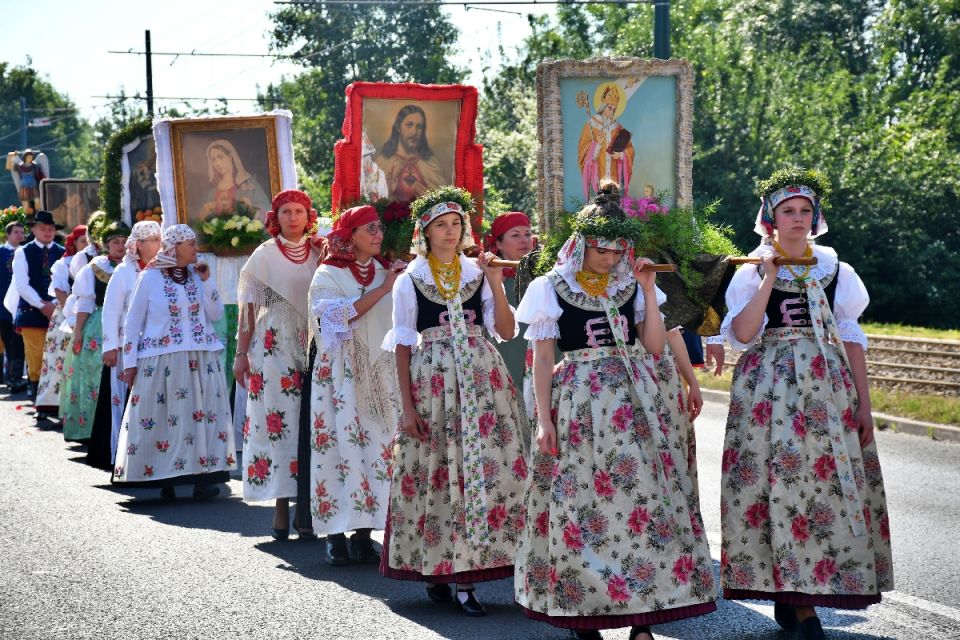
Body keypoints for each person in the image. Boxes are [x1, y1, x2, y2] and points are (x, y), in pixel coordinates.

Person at [514, 182, 716, 640]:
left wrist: (646, 289)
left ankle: (642, 618)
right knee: (582, 502)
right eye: (601, 250)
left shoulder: (631, 282)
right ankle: (585, 611)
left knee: (639, 502)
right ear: (582, 245)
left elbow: (652, 345)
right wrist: (544, 420)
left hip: (634, 404)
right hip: (579, 400)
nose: (609, 259)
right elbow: (544, 359)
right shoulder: (552, 287)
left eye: (616, 250)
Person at [719, 168, 892, 640]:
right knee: (774, 484)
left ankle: (807, 597)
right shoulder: (751, 270)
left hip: (827, 388)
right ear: (770, 220)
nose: (797, 219)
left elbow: (852, 340)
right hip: (766, 390)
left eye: (804, 211)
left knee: (825, 488)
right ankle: (790, 597)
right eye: (787, 211)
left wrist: (864, 404)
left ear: (815, 217)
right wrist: (768, 278)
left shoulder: (837, 270)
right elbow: (743, 334)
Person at [381, 190, 528, 616]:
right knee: (442, 473)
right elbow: (403, 347)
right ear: (424, 232)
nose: (450, 232)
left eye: (456, 224)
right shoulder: (409, 280)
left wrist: (496, 285)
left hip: (483, 382)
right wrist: (407, 409)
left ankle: (469, 574)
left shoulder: (477, 273)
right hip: (435, 384)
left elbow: (505, 329)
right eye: (441, 225)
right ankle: (441, 567)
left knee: (484, 470)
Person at [309, 204, 403, 564]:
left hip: (379, 371)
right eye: (370, 229)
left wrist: (389, 283)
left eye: (380, 228)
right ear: (350, 236)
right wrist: (384, 288)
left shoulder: (385, 271)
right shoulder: (327, 275)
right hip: (341, 375)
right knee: (337, 446)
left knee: (376, 446)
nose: (378, 235)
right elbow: (337, 317)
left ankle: (365, 532)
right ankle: (334, 533)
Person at [113, 224, 235, 499]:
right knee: (164, 419)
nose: (196, 248)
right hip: (162, 359)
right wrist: (130, 363)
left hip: (200, 356)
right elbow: (132, 324)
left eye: (194, 243)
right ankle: (163, 477)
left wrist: (207, 281)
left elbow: (215, 314)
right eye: (189, 244)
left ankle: (202, 478)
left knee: (200, 419)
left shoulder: (196, 276)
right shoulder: (149, 278)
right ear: (173, 248)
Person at [233, 190, 320, 539]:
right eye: (286, 211)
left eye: (300, 211)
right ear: (276, 216)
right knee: (279, 422)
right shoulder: (263, 255)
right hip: (274, 346)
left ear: (308, 215)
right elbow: (248, 311)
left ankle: (309, 509)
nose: (294, 217)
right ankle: (281, 507)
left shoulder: (321, 251)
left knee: (312, 420)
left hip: (314, 342)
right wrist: (241, 354)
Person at [63, 220, 129, 455]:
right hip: (99, 326)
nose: (120, 246)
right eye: (115, 242)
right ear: (105, 245)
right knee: (93, 377)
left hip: (128, 326)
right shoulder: (94, 268)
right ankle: (91, 428)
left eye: (124, 242)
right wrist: (78, 331)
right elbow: (85, 302)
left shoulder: (137, 267)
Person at [99, 221, 162, 466]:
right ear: (137, 245)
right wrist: (110, 346)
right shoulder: (123, 272)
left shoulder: (160, 271)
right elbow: (111, 311)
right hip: (126, 348)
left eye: (159, 239)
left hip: (154, 346)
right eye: (152, 240)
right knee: (121, 402)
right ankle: (119, 457)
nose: (158, 245)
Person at [33, 225, 88, 419]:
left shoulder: (97, 263)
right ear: (74, 243)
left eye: (89, 241)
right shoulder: (64, 263)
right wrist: (71, 315)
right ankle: (51, 402)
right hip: (67, 314)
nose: (87, 244)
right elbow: (59, 291)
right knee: (60, 358)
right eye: (83, 241)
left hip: (88, 314)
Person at [13, 211, 65, 399]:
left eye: (50, 229)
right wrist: (42, 305)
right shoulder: (22, 252)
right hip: (31, 312)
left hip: (58, 312)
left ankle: (55, 399)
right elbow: (22, 285)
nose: (47, 232)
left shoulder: (62, 251)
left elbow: (66, 282)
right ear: (33, 230)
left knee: (58, 356)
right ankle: (37, 399)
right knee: (36, 357)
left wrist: (55, 304)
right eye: (42, 228)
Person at [483, 211, 534, 388]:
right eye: (515, 235)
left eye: (528, 234)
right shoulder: (489, 279)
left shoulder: (546, 276)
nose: (524, 240)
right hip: (508, 357)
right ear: (498, 244)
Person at [373, 105, 448, 202]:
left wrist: (431, 199)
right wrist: (388, 193)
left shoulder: (431, 164)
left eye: (419, 127)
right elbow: (371, 202)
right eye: (409, 125)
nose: (414, 132)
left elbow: (445, 203)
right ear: (398, 127)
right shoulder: (382, 163)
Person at [578, 83, 635, 199]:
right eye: (610, 108)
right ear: (603, 106)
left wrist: (621, 155)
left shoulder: (618, 127)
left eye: (614, 109)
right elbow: (583, 156)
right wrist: (597, 144)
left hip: (614, 177)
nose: (611, 112)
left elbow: (630, 149)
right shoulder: (590, 125)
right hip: (598, 176)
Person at [199, 139, 270, 217]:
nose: (217, 163)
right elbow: (197, 220)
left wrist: (251, 209)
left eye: (220, 157)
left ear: (230, 156)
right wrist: (204, 212)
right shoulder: (210, 192)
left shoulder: (249, 184)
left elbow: (267, 211)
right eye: (213, 160)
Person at [0, 221, 26, 393]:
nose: (19, 235)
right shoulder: (1, 253)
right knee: (9, 340)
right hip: (3, 306)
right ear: (8, 234)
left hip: (22, 305)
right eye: (16, 232)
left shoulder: (26, 252)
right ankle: (10, 376)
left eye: (22, 232)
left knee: (19, 342)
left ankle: (15, 376)